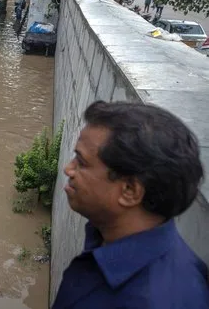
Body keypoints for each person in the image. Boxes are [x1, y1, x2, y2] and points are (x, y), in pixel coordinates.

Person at [53, 101, 209, 309]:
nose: (68, 169)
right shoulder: (106, 240)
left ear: (130, 191)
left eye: (81, 162)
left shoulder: (153, 300)